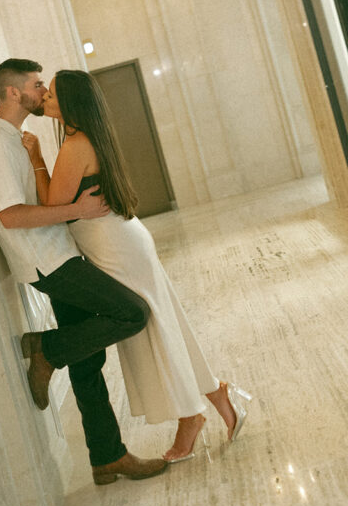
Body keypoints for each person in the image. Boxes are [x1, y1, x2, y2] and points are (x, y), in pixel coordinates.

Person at [22, 69, 252, 463]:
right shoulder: (86, 137)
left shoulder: (75, 145)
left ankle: (191, 416)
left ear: (73, 103)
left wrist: (36, 158)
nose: (46, 99)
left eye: (54, 94)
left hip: (116, 247)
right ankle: (213, 395)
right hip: (122, 241)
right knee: (165, 322)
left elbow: (53, 209)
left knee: (155, 327)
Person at [0, 58, 168, 486]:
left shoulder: (15, 140)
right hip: (47, 261)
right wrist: (76, 210)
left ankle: (106, 458)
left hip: (61, 251)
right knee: (131, 314)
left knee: (88, 360)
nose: (43, 91)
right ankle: (46, 349)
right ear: (12, 92)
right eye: (37, 84)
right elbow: (10, 216)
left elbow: (37, 199)